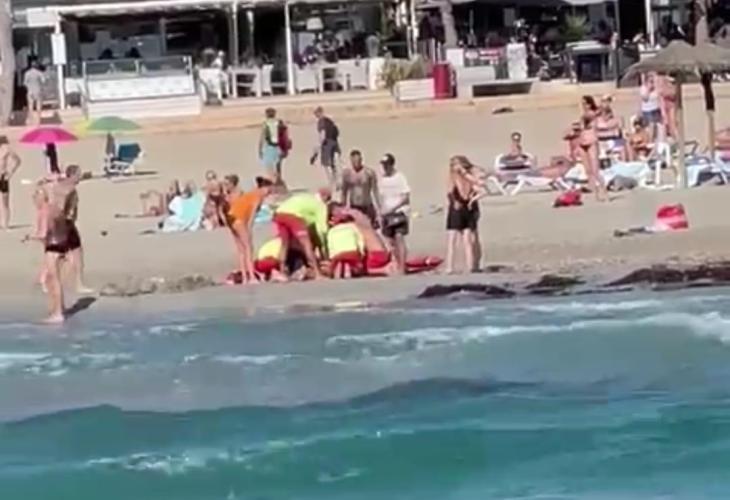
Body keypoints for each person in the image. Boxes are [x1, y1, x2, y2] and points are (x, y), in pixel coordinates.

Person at [225, 174, 274, 284]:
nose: (269, 192)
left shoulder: (251, 194)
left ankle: (245, 277)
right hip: (239, 219)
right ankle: (251, 277)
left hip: (231, 218)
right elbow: (251, 216)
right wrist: (249, 230)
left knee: (241, 250)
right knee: (248, 248)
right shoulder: (257, 197)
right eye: (269, 190)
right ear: (264, 188)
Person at [272, 190, 330, 280]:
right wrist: (323, 245)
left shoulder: (307, 197)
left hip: (279, 213)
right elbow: (322, 229)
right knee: (307, 245)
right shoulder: (320, 205)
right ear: (325, 198)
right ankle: (317, 273)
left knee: (284, 245)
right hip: (294, 216)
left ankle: (282, 273)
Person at [445, 156, 484, 274]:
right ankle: (450, 266)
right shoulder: (452, 176)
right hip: (457, 208)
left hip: (468, 207)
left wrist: (465, 173)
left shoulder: (470, 174)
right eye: (453, 165)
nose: (455, 167)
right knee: (453, 238)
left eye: (456, 164)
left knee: (468, 238)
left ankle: (471, 265)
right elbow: (450, 192)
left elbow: (479, 184)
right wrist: (454, 202)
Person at [378, 154, 410, 274]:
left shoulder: (400, 177)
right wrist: (381, 212)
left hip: (399, 212)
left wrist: (392, 208)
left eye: (387, 164)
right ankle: (397, 264)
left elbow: (405, 197)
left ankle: (402, 267)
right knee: (391, 241)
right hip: (387, 214)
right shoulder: (383, 179)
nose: (385, 167)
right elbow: (382, 197)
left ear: (392, 164)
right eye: (383, 165)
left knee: (399, 238)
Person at [579, 95, 607, 201]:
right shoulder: (585, 114)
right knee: (588, 171)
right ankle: (596, 195)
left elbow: (589, 116)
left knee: (596, 171)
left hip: (591, 141)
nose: (583, 106)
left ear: (590, 104)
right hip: (583, 141)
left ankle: (605, 193)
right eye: (582, 104)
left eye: (585, 103)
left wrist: (599, 107)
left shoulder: (591, 114)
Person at [341, 150, 379, 226]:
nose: (356, 163)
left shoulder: (369, 173)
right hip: (354, 206)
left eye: (358, 161)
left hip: (367, 205)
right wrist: (343, 207)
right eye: (354, 161)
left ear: (361, 160)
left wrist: (378, 208)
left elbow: (375, 191)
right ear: (351, 161)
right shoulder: (347, 173)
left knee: (369, 227)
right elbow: (344, 192)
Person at [258, 108, 291, 185]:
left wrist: (259, 150)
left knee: (270, 168)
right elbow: (286, 135)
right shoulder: (280, 122)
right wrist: (286, 148)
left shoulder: (265, 124)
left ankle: (274, 183)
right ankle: (280, 183)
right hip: (280, 147)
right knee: (278, 167)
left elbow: (262, 138)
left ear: (266, 114)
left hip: (269, 147)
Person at [311, 107, 341, 187]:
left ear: (319, 113)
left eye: (316, 114)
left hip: (327, 144)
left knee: (326, 165)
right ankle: (337, 182)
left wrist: (318, 147)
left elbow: (323, 134)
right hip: (334, 143)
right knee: (333, 164)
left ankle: (331, 183)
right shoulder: (329, 121)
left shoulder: (321, 122)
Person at [595, 95, 626, 163]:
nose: (607, 104)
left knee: (623, 145)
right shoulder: (596, 119)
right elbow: (595, 133)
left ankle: (624, 164)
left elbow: (619, 132)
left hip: (614, 142)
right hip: (601, 143)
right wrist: (611, 131)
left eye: (608, 102)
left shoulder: (617, 119)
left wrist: (606, 130)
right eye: (604, 101)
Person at [0, 136, 21, 230]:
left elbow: (18, 161)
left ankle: (6, 224)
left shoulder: (6, 148)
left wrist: (11, 172)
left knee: (5, 202)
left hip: (3, 176)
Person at [640, 73, 663, 142]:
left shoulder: (656, 88)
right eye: (650, 81)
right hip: (648, 110)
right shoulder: (643, 88)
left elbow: (659, 97)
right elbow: (645, 98)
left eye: (652, 81)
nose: (652, 83)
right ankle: (650, 141)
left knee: (659, 126)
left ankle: (659, 142)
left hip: (656, 109)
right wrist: (648, 89)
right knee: (651, 126)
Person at [24, 60, 45, 125]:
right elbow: (43, 81)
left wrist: (29, 87)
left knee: (30, 106)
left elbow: (25, 83)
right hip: (38, 91)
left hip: (30, 91)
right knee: (38, 106)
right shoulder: (39, 73)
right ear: (37, 66)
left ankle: (31, 120)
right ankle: (38, 120)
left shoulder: (27, 73)